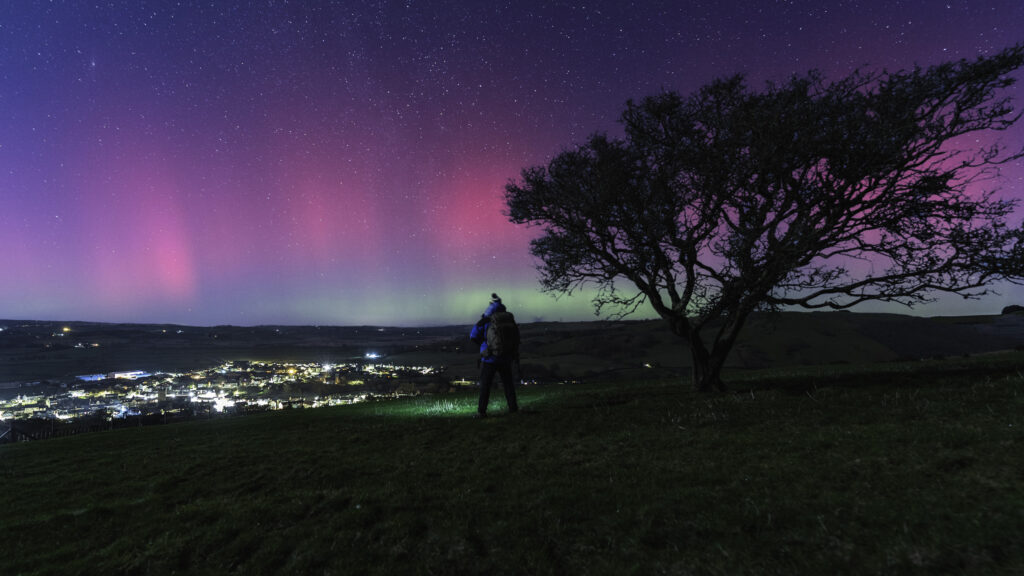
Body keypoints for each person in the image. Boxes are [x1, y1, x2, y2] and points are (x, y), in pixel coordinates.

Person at [469, 293, 520, 417]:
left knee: (485, 385)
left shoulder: (486, 319)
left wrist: (484, 346)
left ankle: (482, 412)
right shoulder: (509, 318)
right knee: (508, 384)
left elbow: (473, 336)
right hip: (506, 356)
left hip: (490, 358)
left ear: (490, 305)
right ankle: (513, 409)